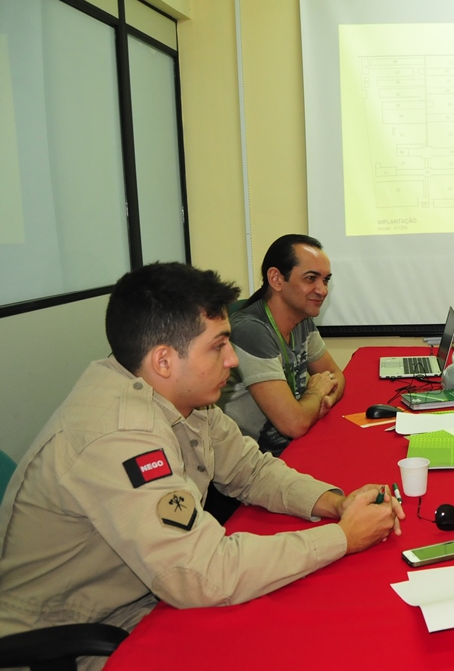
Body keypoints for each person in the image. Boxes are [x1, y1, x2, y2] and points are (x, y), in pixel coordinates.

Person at [0, 263, 404, 659]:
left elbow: (251, 470)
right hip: (68, 636)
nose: (232, 359)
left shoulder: (179, 393)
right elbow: (203, 575)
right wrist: (343, 538)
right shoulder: (120, 436)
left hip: (140, 596)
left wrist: (335, 504)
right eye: (218, 345)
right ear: (163, 360)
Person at [219, 234, 344, 456]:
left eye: (325, 280)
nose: (323, 290)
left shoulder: (302, 319)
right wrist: (316, 393)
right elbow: (294, 424)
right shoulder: (252, 330)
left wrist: (325, 400)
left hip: (292, 446)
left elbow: (336, 375)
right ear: (276, 279)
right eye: (311, 278)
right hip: (252, 465)